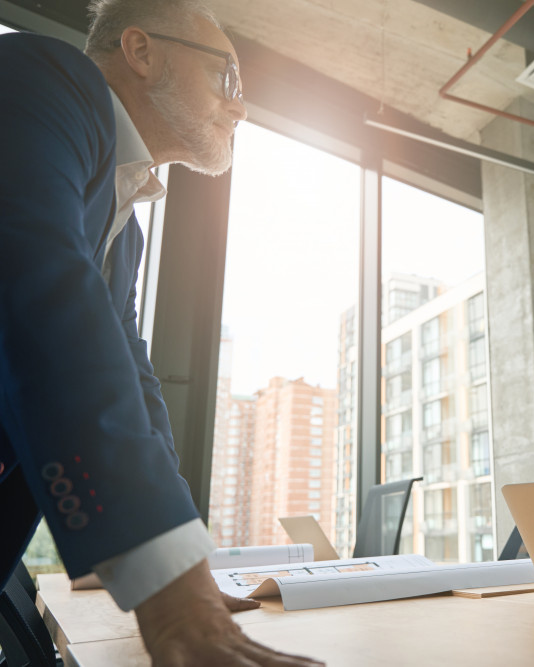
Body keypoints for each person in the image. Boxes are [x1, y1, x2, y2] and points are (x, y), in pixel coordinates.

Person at [0, 1, 321, 664]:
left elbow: (135, 381)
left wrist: (188, 568)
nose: (242, 108)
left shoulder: (126, 231)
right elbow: (42, 291)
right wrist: (172, 594)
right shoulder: (41, 79)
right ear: (143, 53)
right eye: (228, 79)